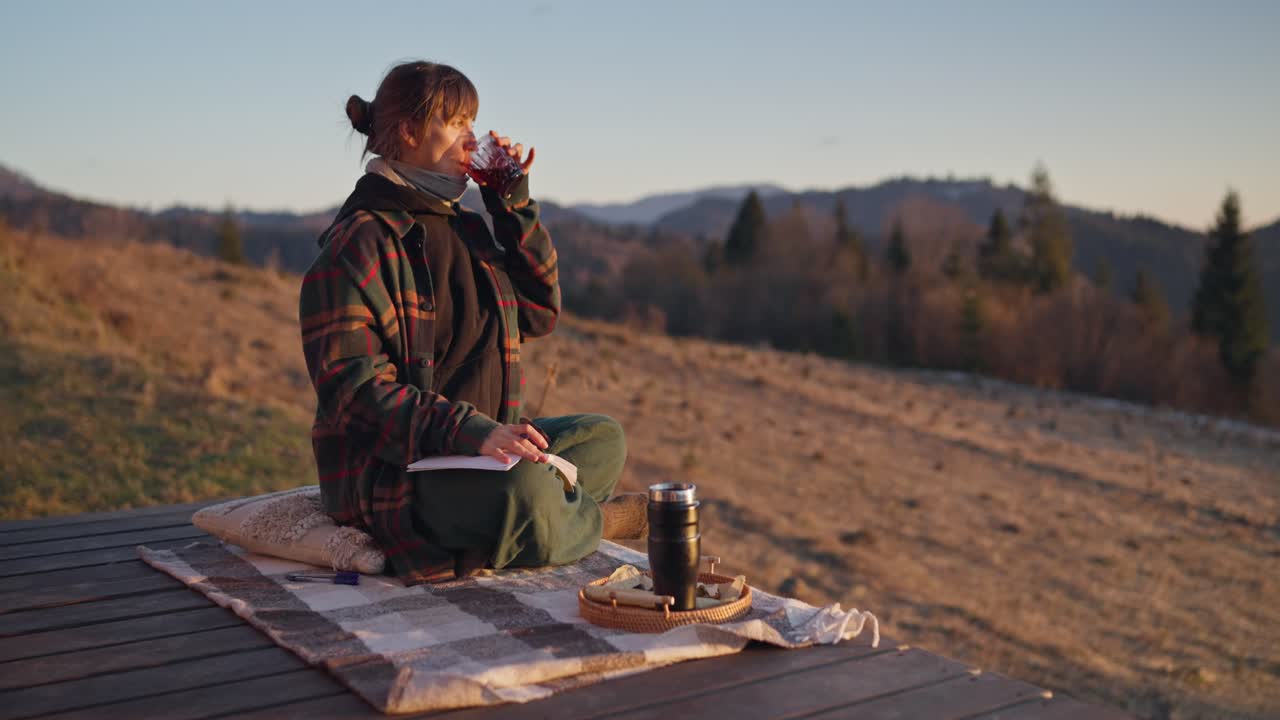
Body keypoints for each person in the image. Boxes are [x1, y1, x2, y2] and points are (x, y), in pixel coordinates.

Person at [299, 61, 646, 585]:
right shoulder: (359, 244)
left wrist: (513, 203)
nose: (471, 138)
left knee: (601, 439)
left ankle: (543, 520)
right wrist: (468, 431)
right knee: (527, 492)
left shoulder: (465, 226)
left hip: (483, 453)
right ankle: (586, 521)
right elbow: (355, 394)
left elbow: (540, 311)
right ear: (409, 132)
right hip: (402, 472)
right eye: (456, 122)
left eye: (472, 122)